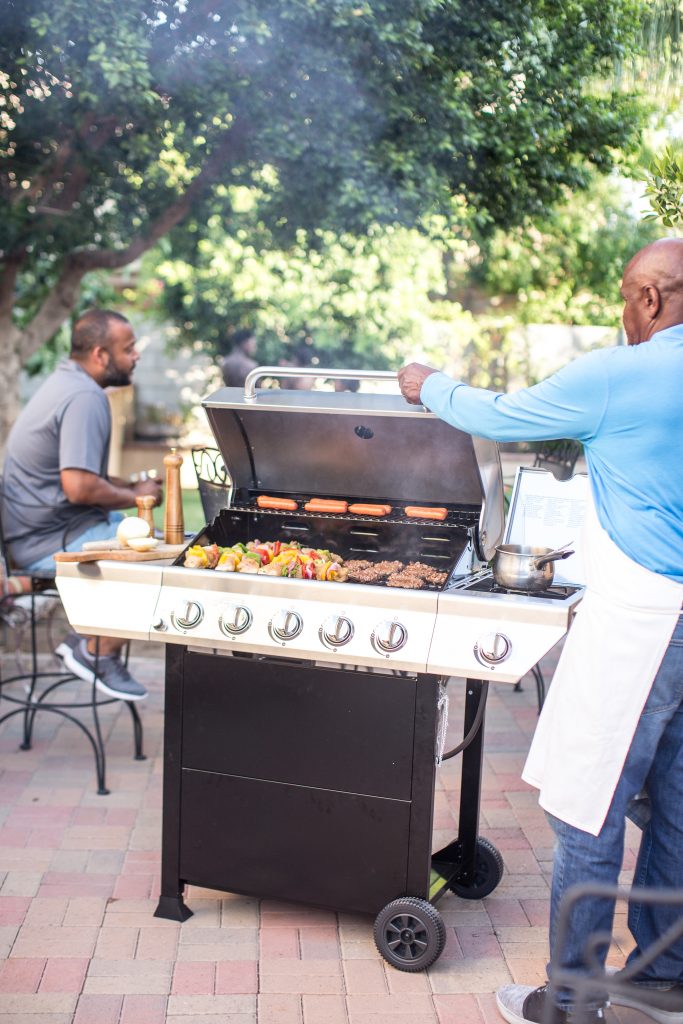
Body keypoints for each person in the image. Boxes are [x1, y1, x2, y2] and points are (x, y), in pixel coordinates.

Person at [398, 238, 683, 1024]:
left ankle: (569, 1000)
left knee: (585, 804)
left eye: (626, 299)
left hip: (643, 617)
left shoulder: (617, 374)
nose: (623, 315)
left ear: (649, 300)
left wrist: (430, 384)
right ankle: (662, 983)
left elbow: (498, 415)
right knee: (677, 804)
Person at [1, 309, 163, 702]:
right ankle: (93, 649)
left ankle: (88, 643)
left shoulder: (66, 382)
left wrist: (129, 485)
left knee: (152, 541)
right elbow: (78, 487)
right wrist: (139, 497)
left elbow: (81, 478)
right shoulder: (84, 397)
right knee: (159, 560)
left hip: (51, 527)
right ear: (100, 354)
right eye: (128, 349)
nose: (136, 356)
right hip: (45, 541)